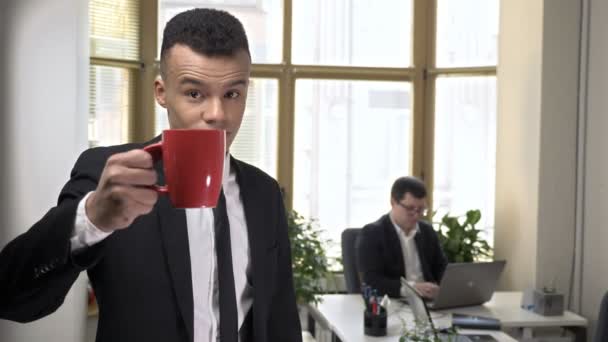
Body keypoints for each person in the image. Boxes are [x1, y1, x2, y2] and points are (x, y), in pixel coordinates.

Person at [0, 8, 302, 342]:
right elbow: (11, 298)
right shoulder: (110, 178)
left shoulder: (265, 194)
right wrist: (91, 218)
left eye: (232, 93)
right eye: (194, 93)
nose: (217, 115)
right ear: (161, 92)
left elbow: (279, 320)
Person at [356, 176, 447, 299]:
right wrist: (411, 288)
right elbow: (371, 281)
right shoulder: (372, 234)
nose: (416, 215)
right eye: (410, 208)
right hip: (395, 302)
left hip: (429, 303)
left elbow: (442, 269)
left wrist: (444, 287)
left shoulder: (427, 232)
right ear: (393, 202)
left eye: (421, 209)